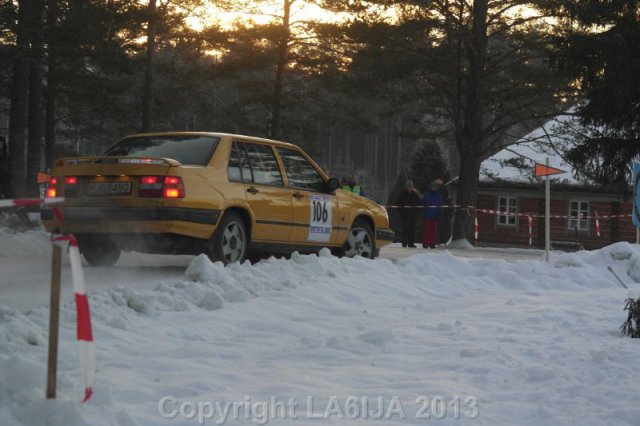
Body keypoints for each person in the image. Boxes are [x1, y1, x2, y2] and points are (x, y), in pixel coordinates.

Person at [396, 180, 421, 247]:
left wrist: (416, 213)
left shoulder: (415, 195)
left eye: (411, 187)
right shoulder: (402, 194)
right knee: (405, 230)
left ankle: (411, 243)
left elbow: (419, 205)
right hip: (405, 216)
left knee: (412, 230)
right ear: (406, 187)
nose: (410, 188)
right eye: (408, 187)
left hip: (413, 216)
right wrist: (402, 213)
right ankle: (404, 243)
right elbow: (398, 205)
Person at [421, 178, 443, 249]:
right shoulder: (427, 194)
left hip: (435, 216)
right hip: (427, 216)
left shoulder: (438, 195)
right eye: (435, 186)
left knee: (434, 232)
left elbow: (440, 204)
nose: (435, 188)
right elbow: (423, 203)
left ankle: (432, 243)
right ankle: (426, 244)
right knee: (427, 231)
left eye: (437, 187)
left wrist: (439, 212)